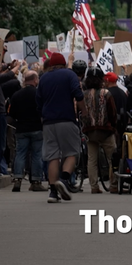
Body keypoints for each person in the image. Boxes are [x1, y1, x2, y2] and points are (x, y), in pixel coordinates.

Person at [36, 53, 85, 203]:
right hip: (66, 119)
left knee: (52, 156)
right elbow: (78, 95)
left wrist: (43, 117)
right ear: (64, 64)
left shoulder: (43, 78)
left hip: (48, 122)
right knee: (72, 152)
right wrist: (84, 112)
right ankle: (63, 180)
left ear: (50, 64)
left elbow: (38, 101)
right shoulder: (69, 74)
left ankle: (52, 193)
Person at [8, 71, 46, 192]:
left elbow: (11, 114)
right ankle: (36, 181)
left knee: (20, 153)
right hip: (37, 128)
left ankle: (18, 178)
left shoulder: (16, 95)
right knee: (36, 155)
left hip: (21, 129)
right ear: (35, 80)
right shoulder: (39, 94)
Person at [81, 68, 117, 194]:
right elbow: (112, 112)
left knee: (92, 159)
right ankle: (114, 184)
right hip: (106, 130)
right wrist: (113, 125)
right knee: (112, 158)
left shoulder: (83, 94)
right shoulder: (106, 93)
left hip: (90, 131)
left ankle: (94, 186)